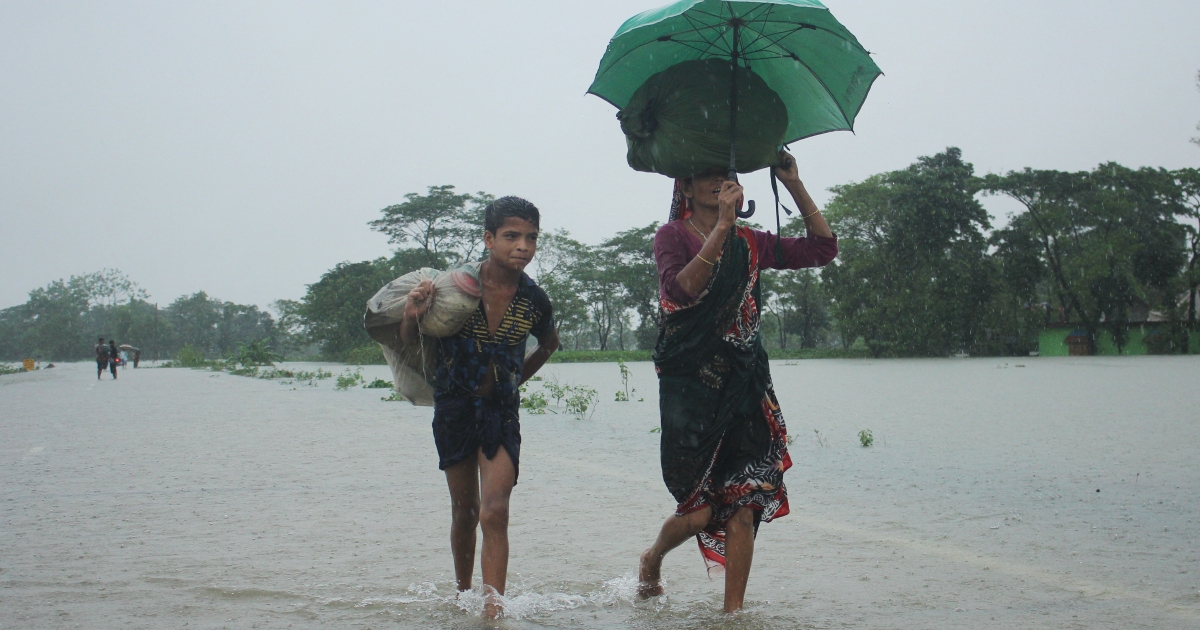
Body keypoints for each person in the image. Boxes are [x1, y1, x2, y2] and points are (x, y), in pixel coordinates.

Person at [638, 151, 838, 613]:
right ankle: (652, 558)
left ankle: (733, 616)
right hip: (692, 388)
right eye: (704, 174)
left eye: (723, 173)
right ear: (684, 188)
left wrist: (793, 183)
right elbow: (680, 291)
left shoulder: (751, 242)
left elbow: (823, 249)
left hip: (745, 385)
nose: (717, 181)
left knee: (745, 501)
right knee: (700, 511)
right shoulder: (672, 237)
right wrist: (723, 227)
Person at [399, 196, 559, 618]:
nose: (522, 246)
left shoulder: (533, 300)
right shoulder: (454, 290)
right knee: (465, 510)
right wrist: (413, 310)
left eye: (531, 238)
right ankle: (462, 592)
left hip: (501, 413)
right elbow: (409, 336)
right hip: (454, 408)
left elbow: (549, 344)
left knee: (496, 510)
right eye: (511, 236)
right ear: (488, 239)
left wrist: (513, 381)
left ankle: (493, 610)